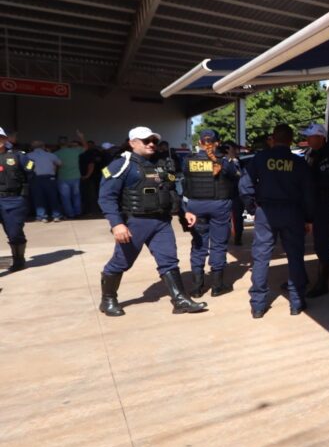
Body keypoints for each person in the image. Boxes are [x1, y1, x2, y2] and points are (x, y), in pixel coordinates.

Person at [97, 126, 207, 317]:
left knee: (169, 260)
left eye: (154, 141)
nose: (151, 144)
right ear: (132, 143)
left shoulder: (162, 163)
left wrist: (183, 212)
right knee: (121, 262)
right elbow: (106, 197)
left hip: (161, 221)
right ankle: (108, 299)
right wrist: (116, 223)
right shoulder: (121, 164)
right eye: (146, 140)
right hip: (135, 222)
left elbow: (170, 191)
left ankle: (179, 300)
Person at [239, 123, 315, 318]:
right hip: (293, 212)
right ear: (290, 140)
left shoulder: (260, 158)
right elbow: (308, 193)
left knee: (261, 257)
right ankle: (296, 303)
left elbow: (245, 186)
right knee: (295, 257)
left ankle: (257, 306)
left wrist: (253, 209)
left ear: (273, 138)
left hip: (266, 211)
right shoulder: (298, 162)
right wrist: (308, 218)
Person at [180, 129, 240, 298]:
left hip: (195, 206)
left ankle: (197, 287)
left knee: (199, 244)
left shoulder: (188, 161)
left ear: (199, 142)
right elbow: (236, 178)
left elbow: (185, 180)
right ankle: (217, 286)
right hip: (220, 206)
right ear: (217, 143)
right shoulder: (225, 162)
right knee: (219, 245)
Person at [301, 123, 329, 298]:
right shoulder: (309, 153)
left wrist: (306, 181)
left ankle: (322, 283)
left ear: (320, 137)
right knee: (296, 242)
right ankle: (299, 278)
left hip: (321, 203)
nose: (307, 139)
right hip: (306, 202)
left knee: (322, 244)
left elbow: (325, 182)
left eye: (311, 136)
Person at [0, 127, 32, 271]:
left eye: (0, 138)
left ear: (5, 139)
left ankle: (19, 259)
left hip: (12, 199)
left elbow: (31, 168)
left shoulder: (17, 155)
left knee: (14, 232)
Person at [27, 141, 63, 222]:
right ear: (43, 147)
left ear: (32, 148)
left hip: (36, 178)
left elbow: (28, 168)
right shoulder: (50, 155)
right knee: (53, 197)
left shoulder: (29, 156)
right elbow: (60, 164)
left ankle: (42, 216)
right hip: (50, 178)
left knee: (38, 198)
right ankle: (56, 216)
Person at [55, 131, 86, 218]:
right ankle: (78, 212)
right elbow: (85, 147)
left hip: (62, 177)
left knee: (65, 197)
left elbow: (55, 167)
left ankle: (70, 214)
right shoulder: (75, 151)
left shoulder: (56, 154)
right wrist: (82, 137)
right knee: (76, 196)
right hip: (76, 176)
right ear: (68, 143)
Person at [224, 142, 246, 245]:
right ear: (228, 150)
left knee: (238, 217)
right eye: (234, 149)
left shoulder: (239, 161)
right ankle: (225, 237)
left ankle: (238, 237)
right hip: (225, 194)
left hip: (237, 194)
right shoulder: (222, 162)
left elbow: (242, 175)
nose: (237, 151)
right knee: (224, 218)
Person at [79, 139, 105, 216]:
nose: (90, 146)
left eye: (91, 145)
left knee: (94, 194)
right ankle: (89, 210)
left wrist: (87, 175)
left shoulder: (97, 153)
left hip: (95, 176)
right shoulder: (82, 154)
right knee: (88, 194)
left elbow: (92, 164)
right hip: (86, 176)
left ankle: (94, 210)